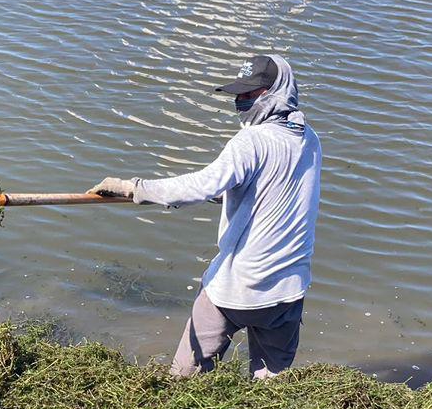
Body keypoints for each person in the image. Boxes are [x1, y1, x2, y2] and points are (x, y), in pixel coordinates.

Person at [89, 53, 323, 378]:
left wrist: (134, 188)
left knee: (184, 377)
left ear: (273, 93)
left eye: (248, 94)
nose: (240, 102)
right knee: (273, 392)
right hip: (286, 293)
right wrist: (225, 194)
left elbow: (201, 185)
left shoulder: (251, 141)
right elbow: (271, 188)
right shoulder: (309, 139)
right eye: (238, 94)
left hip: (239, 286)